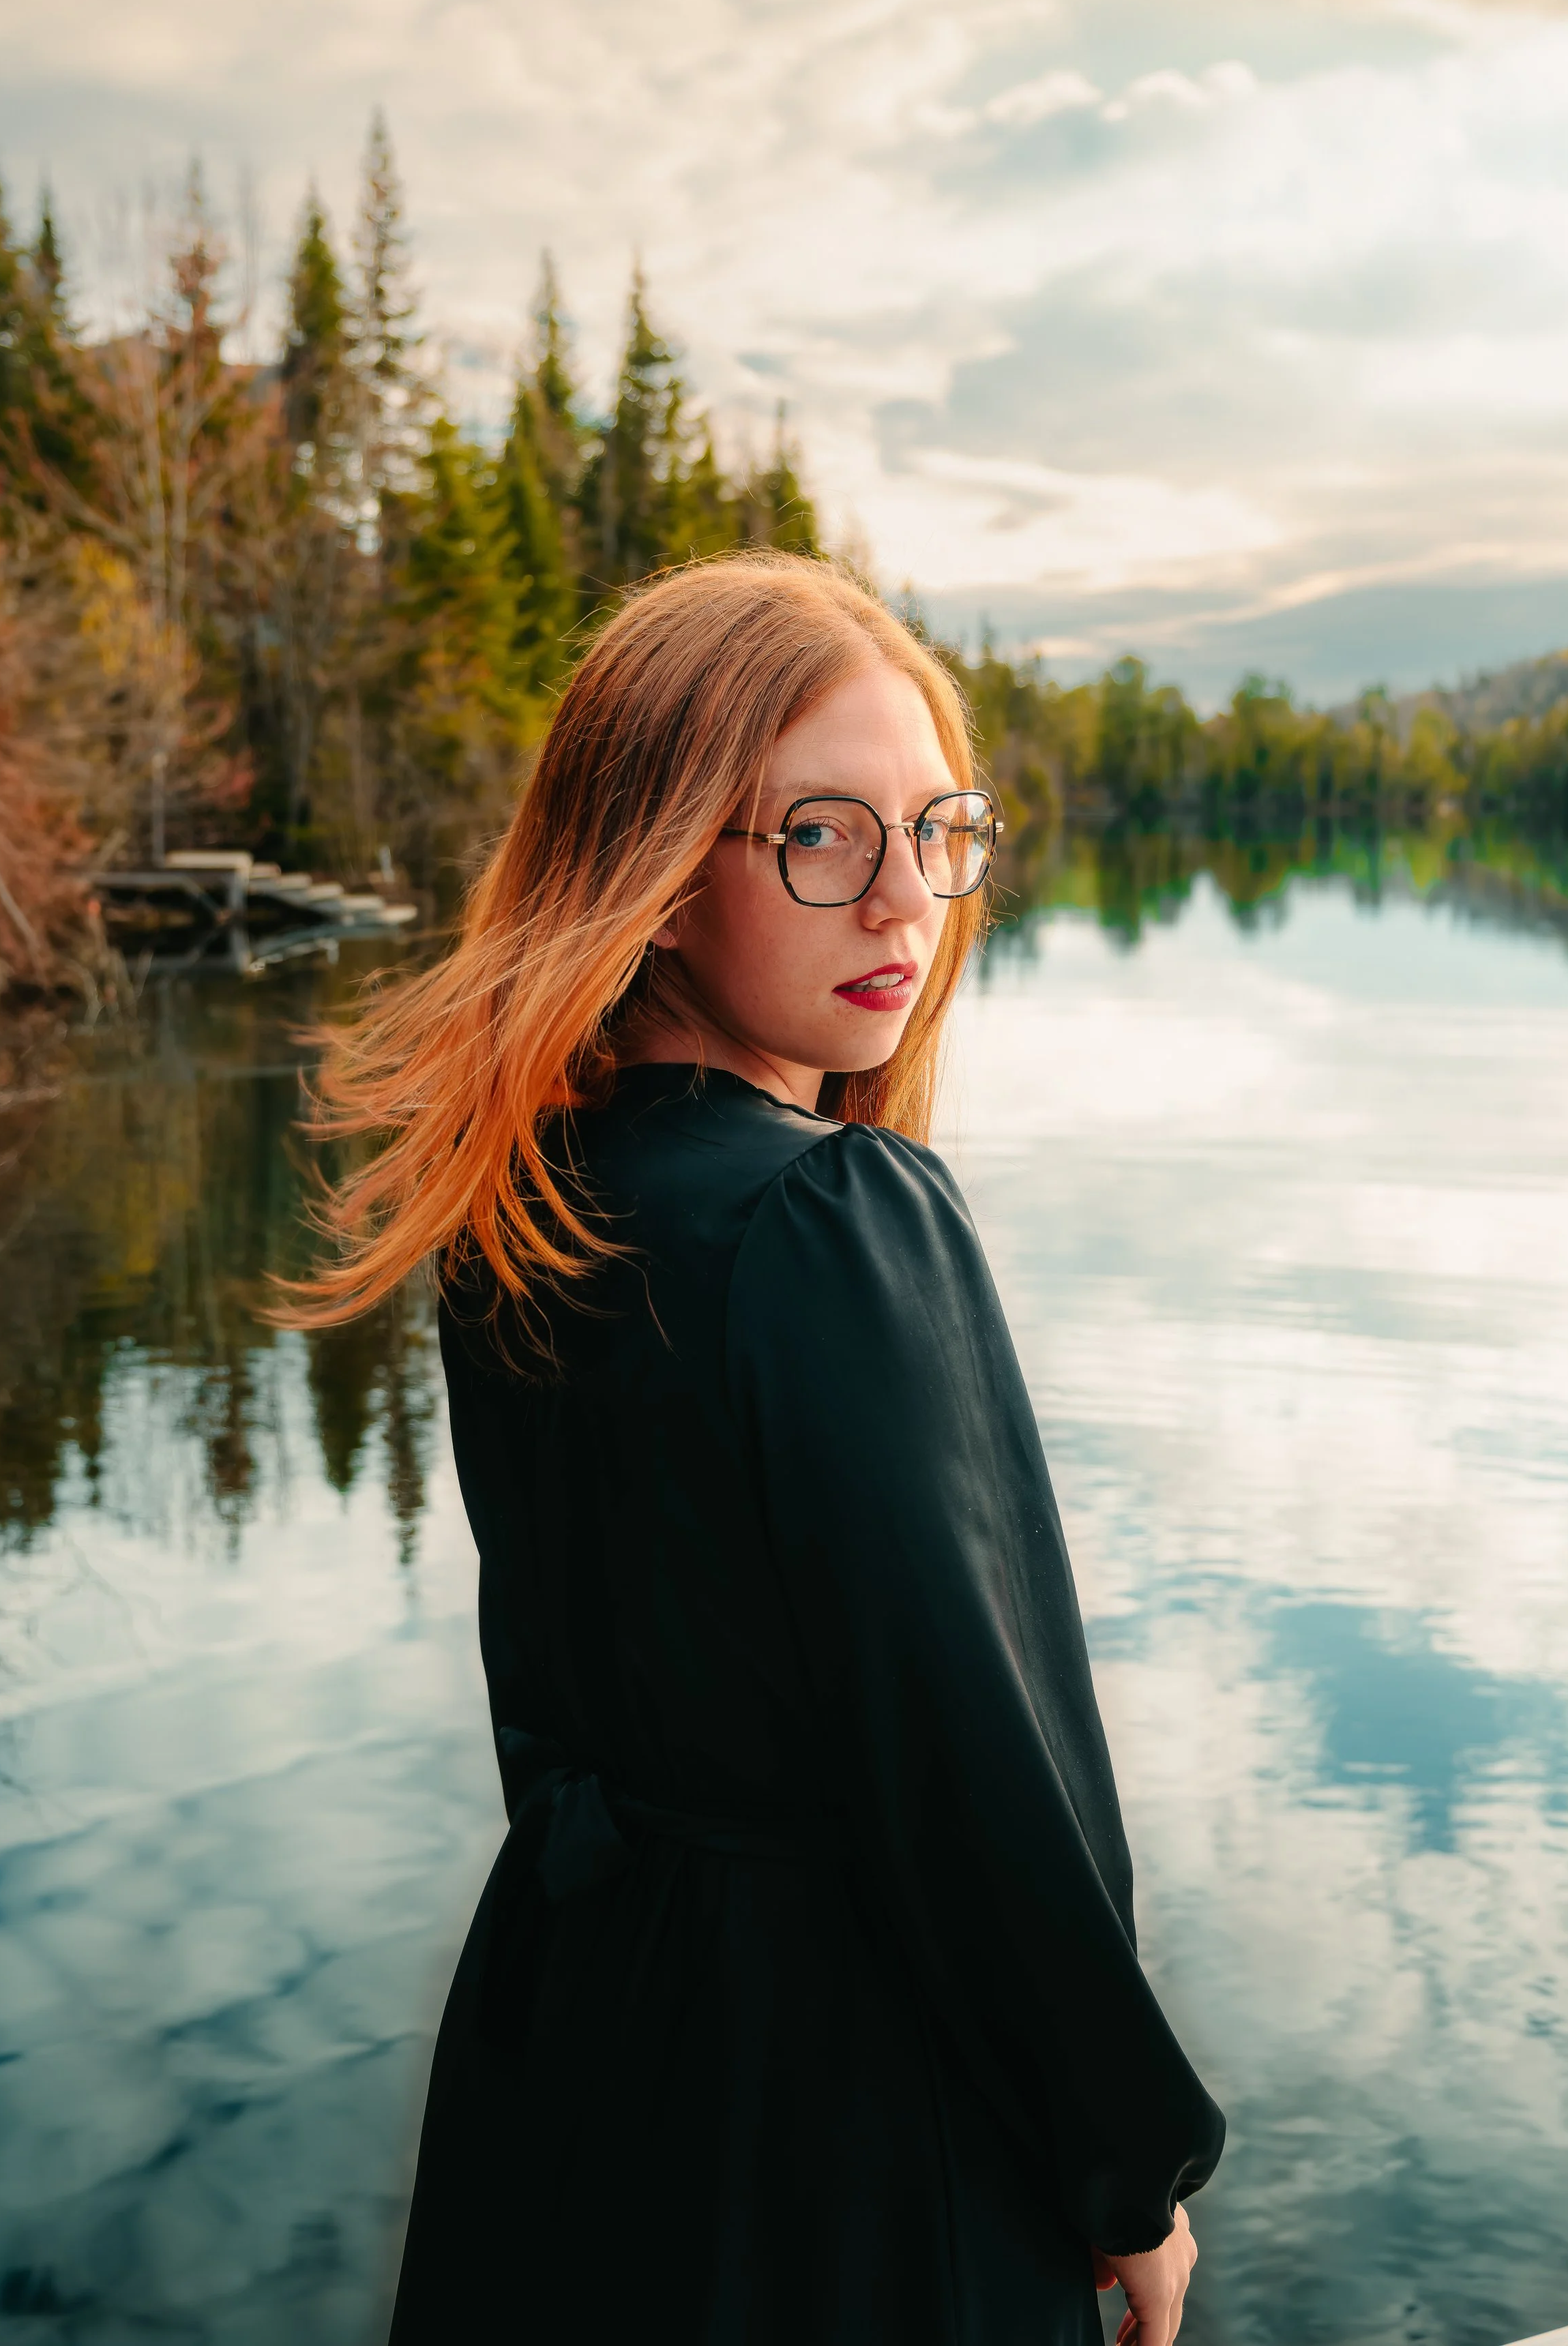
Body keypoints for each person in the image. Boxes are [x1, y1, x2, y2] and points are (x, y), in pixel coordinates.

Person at [291, 553, 1224, 2346]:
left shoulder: (521, 1202)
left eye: (936, 828)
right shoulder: (831, 1214)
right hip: (843, 2133)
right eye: (819, 834)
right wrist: (1125, 2168)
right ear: (652, 878)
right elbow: (977, 1766)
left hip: (569, 2065)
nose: (903, 900)